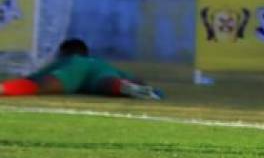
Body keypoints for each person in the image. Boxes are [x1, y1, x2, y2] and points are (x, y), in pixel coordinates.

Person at [0, 38, 163, 100]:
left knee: (41, 85)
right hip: (100, 73)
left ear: (63, 53)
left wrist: (17, 82)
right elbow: (133, 77)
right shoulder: (99, 62)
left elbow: (36, 77)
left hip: (73, 73)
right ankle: (128, 89)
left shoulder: (70, 61)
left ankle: (3, 89)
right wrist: (148, 87)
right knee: (110, 82)